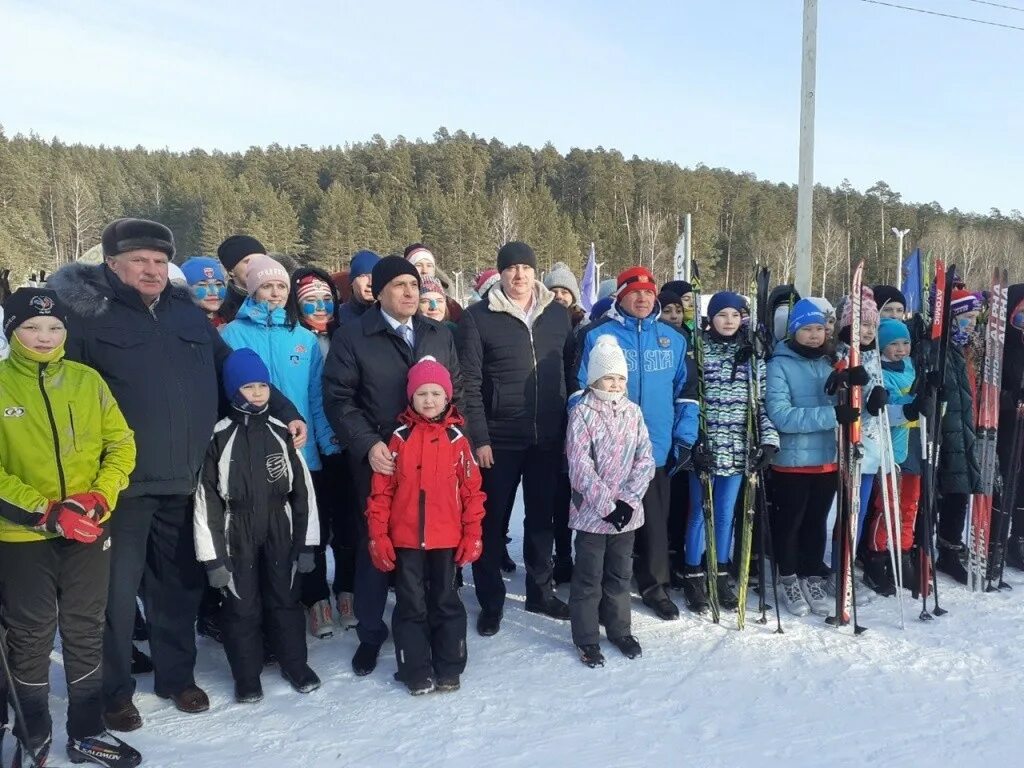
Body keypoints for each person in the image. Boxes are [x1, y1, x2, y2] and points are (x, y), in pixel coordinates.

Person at [46, 218, 306, 732]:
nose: (152, 270)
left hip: (184, 481)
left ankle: (175, 676)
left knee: (178, 589)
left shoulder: (187, 316)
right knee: (115, 599)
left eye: (160, 262)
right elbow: (65, 396)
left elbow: (233, 368)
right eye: (139, 261)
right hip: (117, 487)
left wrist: (285, 408)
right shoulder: (87, 319)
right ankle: (113, 692)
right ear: (112, 264)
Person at [0, 288, 141, 767]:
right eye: (32, 328)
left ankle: (87, 730)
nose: (44, 337)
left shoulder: (86, 380)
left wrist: (100, 497)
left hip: (88, 530)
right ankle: (32, 730)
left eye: (55, 328)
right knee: (32, 632)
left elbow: (120, 442)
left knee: (84, 629)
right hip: (22, 536)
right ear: (12, 330)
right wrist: (46, 510)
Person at [323, 255, 461, 676]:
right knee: (377, 547)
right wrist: (367, 445)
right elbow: (339, 398)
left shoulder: (439, 333)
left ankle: (430, 631)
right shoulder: (354, 338)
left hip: (434, 463)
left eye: (414, 285)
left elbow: (458, 392)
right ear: (378, 291)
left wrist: (459, 442)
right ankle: (370, 634)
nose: (408, 292)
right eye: (399, 285)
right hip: (382, 462)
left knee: (430, 547)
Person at [457, 241, 575, 636]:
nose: (519, 275)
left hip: (547, 437)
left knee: (542, 520)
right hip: (499, 440)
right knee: (491, 522)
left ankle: (540, 591)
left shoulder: (558, 316)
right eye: (511, 268)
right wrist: (480, 438)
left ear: (535, 272)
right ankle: (490, 600)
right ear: (500, 273)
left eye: (526, 267)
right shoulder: (478, 318)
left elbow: (571, 374)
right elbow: (469, 384)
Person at [193, 349, 321, 704]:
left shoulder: (282, 431)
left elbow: (303, 493)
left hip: (279, 526)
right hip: (237, 530)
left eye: (262, 385)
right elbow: (206, 502)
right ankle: (246, 676)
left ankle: (296, 664)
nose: (258, 393)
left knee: (285, 599)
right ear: (234, 390)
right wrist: (212, 559)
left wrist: (308, 544)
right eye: (248, 387)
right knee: (241, 606)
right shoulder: (218, 436)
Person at [221, 256, 339, 635]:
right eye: (266, 286)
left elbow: (316, 398)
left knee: (308, 528)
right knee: (265, 533)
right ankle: (271, 610)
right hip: (252, 453)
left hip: (303, 451)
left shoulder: (302, 339)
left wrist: (324, 445)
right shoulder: (230, 335)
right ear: (252, 289)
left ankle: (316, 597)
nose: (274, 293)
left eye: (281, 287)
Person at [576, 266, 699, 621]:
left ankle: (654, 587)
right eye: (635, 292)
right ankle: (601, 590)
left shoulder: (673, 339)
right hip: (608, 453)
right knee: (605, 524)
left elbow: (686, 394)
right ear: (621, 296)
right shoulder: (598, 335)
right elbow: (578, 388)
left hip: (655, 450)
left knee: (655, 525)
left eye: (649, 292)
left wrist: (685, 438)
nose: (643, 298)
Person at [364, 357, 484, 694]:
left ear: (447, 397)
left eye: (435, 393)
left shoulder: (458, 440)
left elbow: (473, 491)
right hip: (406, 539)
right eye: (421, 394)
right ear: (410, 398)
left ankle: (449, 666)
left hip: (446, 538)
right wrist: (378, 534)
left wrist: (473, 533)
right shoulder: (398, 438)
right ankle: (415, 670)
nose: (429, 400)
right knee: (411, 603)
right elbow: (381, 491)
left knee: (445, 600)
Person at [680, 292, 779, 613]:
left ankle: (720, 573)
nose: (728, 321)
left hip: (737, 448)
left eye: (734, 316)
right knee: (699, 513)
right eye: (722, 315)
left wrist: (767, 441)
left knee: (726, 515)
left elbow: (761, 404)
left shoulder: (752, 356)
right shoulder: (698, 351)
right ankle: (693, 574)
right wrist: (692, 443)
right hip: (707, 446)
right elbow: (689, 401)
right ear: (711, 318)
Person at [566, 335, 655, 667]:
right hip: (592, 514)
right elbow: (580, 465)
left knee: (619, 574)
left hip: (627, 515)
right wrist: (608, 505)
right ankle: (587, 637)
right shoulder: (583, 413)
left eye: (620, 378)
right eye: (608, 377)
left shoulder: (633, 412)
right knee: (589, 577)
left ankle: (619, 628)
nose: (615, 384)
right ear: (594, 379)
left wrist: (628, 502)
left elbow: (645, 458)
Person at [765, 299, 846, 617]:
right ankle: (788, 578)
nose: (814, 335)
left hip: (827, 458)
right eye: (807, 329)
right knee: (791, 523)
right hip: (792, 463)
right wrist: (833, 414)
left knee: (816, 522)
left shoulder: (830, 362)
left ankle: (812, 574)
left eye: (820, 329)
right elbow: (781, 416)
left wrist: (854, 387)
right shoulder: (779, 365)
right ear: (793, 332)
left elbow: (851, 407)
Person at [290, 266, 359, 632]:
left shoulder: (345, 338)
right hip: (306, 450)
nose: (320, 308)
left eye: (326, 300)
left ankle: (346, 589)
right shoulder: (294, 340)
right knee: (311, 527)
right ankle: (315, 596)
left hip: (344, 446)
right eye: (311, 302)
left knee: (349, 523)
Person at [863, 318, 926, 594]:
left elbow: (930, 410)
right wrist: (910, 407)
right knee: (887, 503)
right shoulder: (879, 373)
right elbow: (883, 411)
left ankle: (903, 553)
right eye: (893, 344)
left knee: (910, 504)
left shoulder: (914, 368)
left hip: (915, 446)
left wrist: (933, 397)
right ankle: (877, 556)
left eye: (905, 343)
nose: (901, 349)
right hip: (892, 449)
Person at [833, 287, 888, 600]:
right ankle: (839, 568)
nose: (867, 331)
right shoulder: (840, 355)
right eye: (861, 324)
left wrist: (879, 401)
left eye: (871, 326)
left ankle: (849, 565)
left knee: (861, 509)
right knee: (846, 510)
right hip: (845, 447)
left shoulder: (874, 357)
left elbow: (873, 404)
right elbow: (835, 397)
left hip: (870, 448)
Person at [935, 288, 984, 584]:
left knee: (960, 491)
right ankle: (926, 549)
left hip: (966, 428)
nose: (971, 324)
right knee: (945, 490)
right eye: (966, 317)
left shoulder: (969, 349)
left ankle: (951, 549)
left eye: (974, 318)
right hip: (945, 429)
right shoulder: (940, 348)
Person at [216, 235, 267, 324]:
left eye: (261, 260)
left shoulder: (280, 299)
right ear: (231, 270)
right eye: (248, 262)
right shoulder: (220, 309)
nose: (257, 266)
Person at [405, 243, 462, 322]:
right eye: (418, 265)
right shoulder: (400, 302)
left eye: (429, 265)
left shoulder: (452, 306)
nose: (425, 271)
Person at [181, 256, 228, 328]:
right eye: (203, 285)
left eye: (218, 284)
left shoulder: (230, 321)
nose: (213, 292)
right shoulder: (180, 326)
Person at [339, 250, 380, 323]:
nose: (370, 283)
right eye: (363, 276)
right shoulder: (338, 318)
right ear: (352, 281)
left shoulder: (392, 316)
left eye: (376, 275)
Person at [544, 262, 586, 328]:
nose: (558, 296)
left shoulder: (583, 325)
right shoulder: (538, 323)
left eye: (564, 292)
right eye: (554, 292)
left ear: (573, 297)